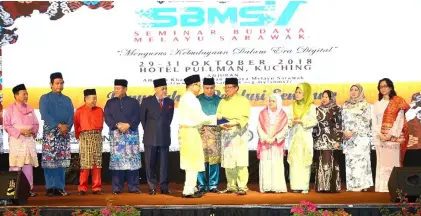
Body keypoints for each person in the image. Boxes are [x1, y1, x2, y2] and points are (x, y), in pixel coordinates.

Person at [178, 74, 216, 198]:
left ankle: (192, 187)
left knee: (192, 160)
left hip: (190, 131)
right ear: (192, 85)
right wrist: (217, 118)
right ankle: (188, 190)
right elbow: (200, 117)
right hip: (190, 132)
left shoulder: (188, 98)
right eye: (198, 85)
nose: (199, 88)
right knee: (191, 161)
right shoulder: (190, 98)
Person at [104, 79, 142, 194]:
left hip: (131, 134)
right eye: (115, 88)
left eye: (118, 88)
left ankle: (133, 187)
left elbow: (138, 116)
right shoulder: (110, 103)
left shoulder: (134, 102)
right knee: (117, 161)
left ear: (125, 89)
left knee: (132, 160)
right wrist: (117, 125)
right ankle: (117, 187)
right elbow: (107, 116)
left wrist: (129, 125)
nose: (115, 91)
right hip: (117, 135)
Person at [372, 78, 410, 192]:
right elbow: (375, 122)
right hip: (380, 138)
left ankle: (393, 188)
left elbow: (400, 120)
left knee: (393, 163)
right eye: (381, 86)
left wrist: (390, 134)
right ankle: (382, 187)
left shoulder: (397, 101)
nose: (383, 88)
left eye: (385, 86)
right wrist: (380, 134)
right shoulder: (377, 104)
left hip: (394, 138)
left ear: (391, 87)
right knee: (382, 164)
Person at [39, 72, 74, 197]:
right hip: (51, 134)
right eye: (57, 83)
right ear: (51, 84)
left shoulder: (67, 99)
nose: (59, 85)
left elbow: (71, 115)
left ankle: (60, 187)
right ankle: (50, 188)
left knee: (61, 161)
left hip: (64, 133)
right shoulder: (45, 98)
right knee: (50, 161)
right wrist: (59, 125)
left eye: (61, 83)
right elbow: (45, 114)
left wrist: (67, 127)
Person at [217, 77, 251, 195]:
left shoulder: (243, 100)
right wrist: (222, 125)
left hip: (239, 132)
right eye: (226, 87)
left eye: (230, 87)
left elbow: (245, 117)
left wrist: (234, 123)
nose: (227, 89)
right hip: (226, 133)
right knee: (228, 160)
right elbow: (218, 117)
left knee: (240, 160)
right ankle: (231, 185)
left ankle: (242, 186)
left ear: (236, 88)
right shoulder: (223, 101)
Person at [140, 78, 174, 195]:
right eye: (162, 89)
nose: (164, 91)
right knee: (150, 163)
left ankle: (164, 187)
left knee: (164, 164)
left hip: (164, 136)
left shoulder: (170, 102)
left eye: (165, 88)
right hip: (150, 137)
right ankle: (152, 186)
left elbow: (169, 119)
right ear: (155, 89)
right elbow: (143, 120)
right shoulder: (147, 101)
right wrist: (150, 130)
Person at [4, 84, 39, 197]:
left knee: (28, 166)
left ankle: (28, 190)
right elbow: (7, 126)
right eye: (24, 94)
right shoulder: (9, 109)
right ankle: (11, 192)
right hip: (17, 141)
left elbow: (36, 124)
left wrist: (33, 131)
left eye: (27, 94)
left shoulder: (30, 109)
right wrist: (20, 132)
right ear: (16, 95)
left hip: (28, 140)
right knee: (15, 166)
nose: (26, 96)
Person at [287, 83, 318, 194]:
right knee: (294, 162)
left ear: (306, 93)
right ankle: (295, 186)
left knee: (305, 161)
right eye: (296, 92)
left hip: (305, 137)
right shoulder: (291, 107)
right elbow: (287, 121)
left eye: (300, 92)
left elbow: (314, 121)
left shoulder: (311, 107)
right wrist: (292, 122)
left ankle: (304, 186)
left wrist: (302, 121)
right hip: (294, 137)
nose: (297, 94)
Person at [342, 84, 373, 192]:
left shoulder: (365, 104)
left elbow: (367, 122)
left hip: (360, 137)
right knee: (350, 161)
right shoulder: (345, 104)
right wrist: (344, 131)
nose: (353, 92)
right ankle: (352, 185)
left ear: (360, 92)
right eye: (351, 90)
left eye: (356, 90)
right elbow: (342, 120)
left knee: (360, 161)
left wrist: (353, 131)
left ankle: (361, 184)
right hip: (348, 138)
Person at [74, 89, 104, 195]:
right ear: (86, 99)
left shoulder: (100, 110)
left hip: (97, 137)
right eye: (93, 98)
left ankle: (97, 188)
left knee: (97, 164)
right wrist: (80, 138)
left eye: (96, 98)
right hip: (85, 137)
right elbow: (76, 125)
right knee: (85, 164)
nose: (95, 100)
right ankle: (82, 188)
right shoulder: (79, 111)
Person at [256, 93, 288, 193]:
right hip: (265, 143)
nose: (271, 103)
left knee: (276, 164)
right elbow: (259, 127)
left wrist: (275, 138)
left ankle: (277, 187)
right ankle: (266, 187)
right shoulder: (262, 113)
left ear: (278, 102)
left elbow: (285, 129)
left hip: (276, 144)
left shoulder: (283, 114)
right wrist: (265, 138)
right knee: (265, 164)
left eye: (273, 101)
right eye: (269, 101)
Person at [313, 90, 343, 193]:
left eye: (326, 97)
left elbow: (339, 126)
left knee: (332, 162)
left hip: (332, 140)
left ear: (331, 98)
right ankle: (322, 186)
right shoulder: (317, 109)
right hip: (320, 140)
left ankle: (332, 187)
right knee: (321, 163)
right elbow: (315, 126)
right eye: (323, 97)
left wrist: (339, 140)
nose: (324, 99)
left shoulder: (336, 109)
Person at [197, 77, 222, 193]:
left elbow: (223, 118)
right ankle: (202, 184)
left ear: (214, 87)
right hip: (200, 133)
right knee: (200, 159)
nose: (209, 90)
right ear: (203, 88)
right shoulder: (197, 100)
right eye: (207, 88)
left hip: (215, 133)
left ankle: (213, 185)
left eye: (212, 88)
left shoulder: (220, 100)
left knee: (214, 160)